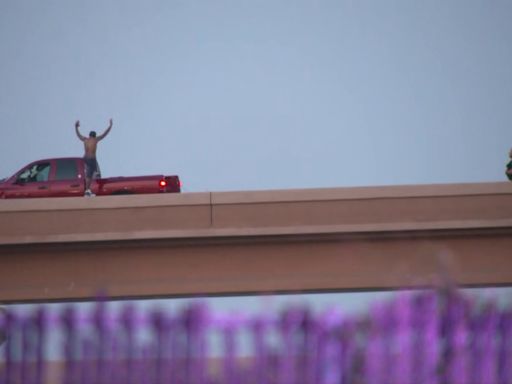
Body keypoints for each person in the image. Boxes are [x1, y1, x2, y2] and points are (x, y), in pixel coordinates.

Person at [75, 118, 113, 196]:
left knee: (88, 175)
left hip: (85, 158)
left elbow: (78, 135)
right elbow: (104, 134)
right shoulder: (95, 140)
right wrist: (110, 126)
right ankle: (87, 190)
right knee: (90, 175)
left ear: (89, 135)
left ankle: (87, 189)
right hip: (91, 159)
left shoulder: (85, 139)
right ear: (94, 136)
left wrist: (76, 127)